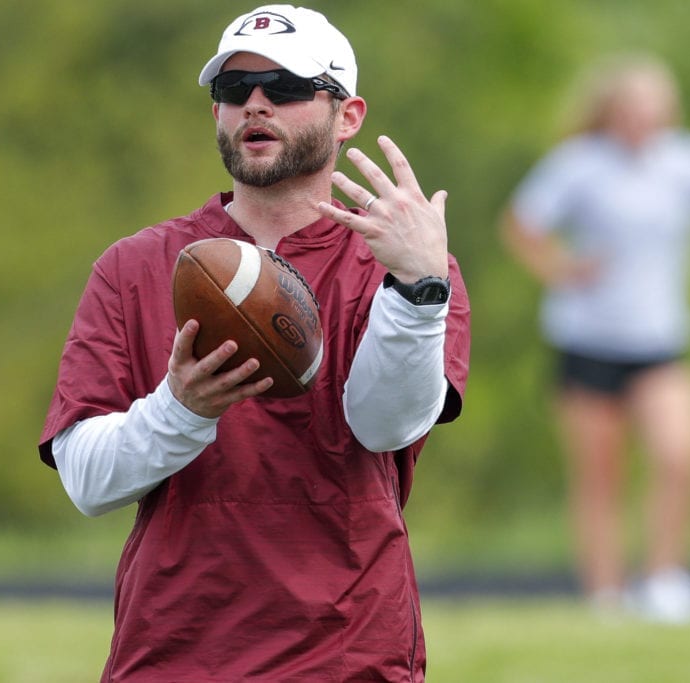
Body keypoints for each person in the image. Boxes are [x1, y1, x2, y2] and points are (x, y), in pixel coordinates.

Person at [38, 5, 470, 680]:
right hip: (174, 649)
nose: (256, 104)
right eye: (234, 91)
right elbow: (88, 482)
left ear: (348, 114)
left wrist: (417, 290)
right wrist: (182, 409)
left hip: (350, 651)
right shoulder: (135, 265)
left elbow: (385, 427)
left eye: (287, 86)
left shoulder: (407, 262)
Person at [502, 54, 690, 624]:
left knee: (682, 455)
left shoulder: (682, 160)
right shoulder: (579, 164)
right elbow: (522, 225)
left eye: (655, 108)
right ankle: (606, 597)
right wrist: (560, 268)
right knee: (601, 476)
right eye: (635, 108)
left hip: (659, 342)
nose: (645, 119)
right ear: (613, 111)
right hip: (587, 341)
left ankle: (662, 580)